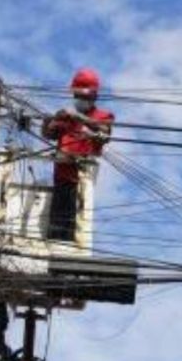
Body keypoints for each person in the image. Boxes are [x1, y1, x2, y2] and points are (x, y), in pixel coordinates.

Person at [40, 67, 114, 241]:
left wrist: (81, 118)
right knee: (57, 228)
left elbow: (105, 132)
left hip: (82, 177)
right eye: (77, 96)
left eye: (84, 96)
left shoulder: (102, 116)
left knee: (75, 228)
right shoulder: (66, 116)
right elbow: (48, 134)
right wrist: (46, 121)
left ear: (94, 96)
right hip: (62, 176)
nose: (80, 100)